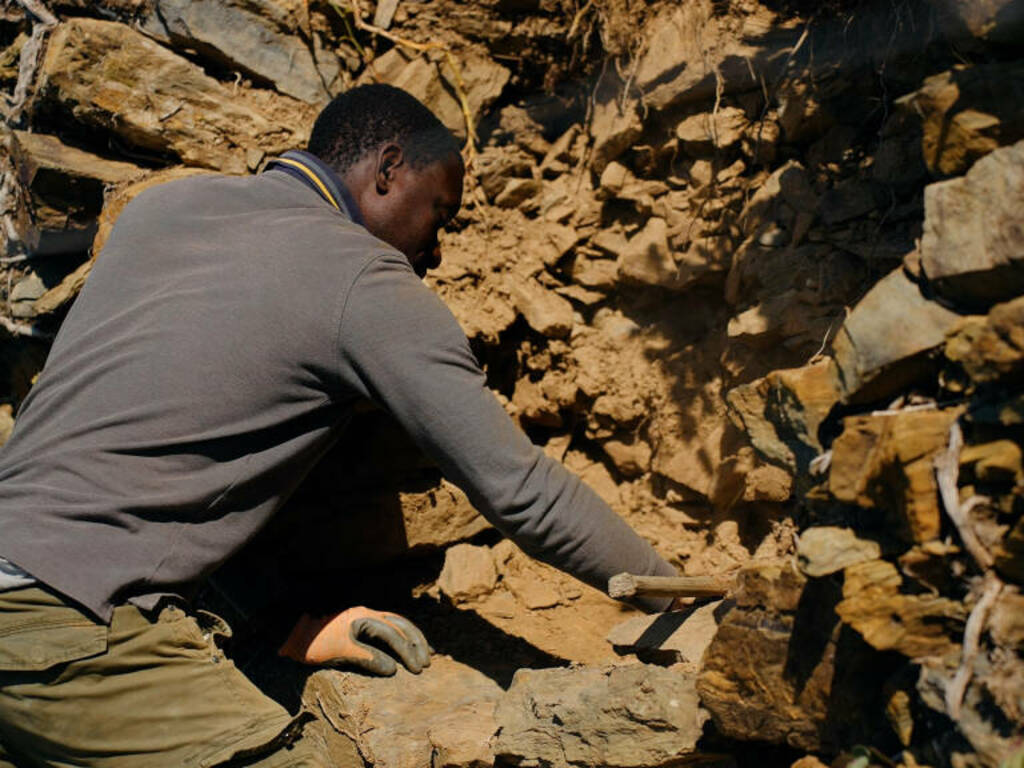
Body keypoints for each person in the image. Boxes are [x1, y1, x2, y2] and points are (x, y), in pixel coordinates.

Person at [0, 84, 678, 766]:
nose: (437, 253)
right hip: (62, 626)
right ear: (388, 170)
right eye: (440, 215)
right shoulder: (365, 279)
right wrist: (672, 597)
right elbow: (521, 489)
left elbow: (162, 458)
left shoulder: (167, 208)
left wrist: (277, 618)